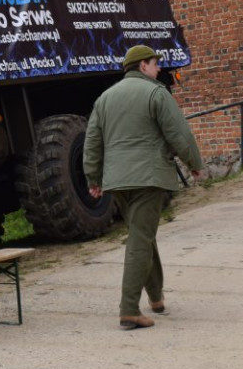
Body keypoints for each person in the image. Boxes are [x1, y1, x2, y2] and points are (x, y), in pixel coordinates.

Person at [83, 45, 205, 330]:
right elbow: (179, 133)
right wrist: (194, 162)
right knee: (140, 239)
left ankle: (156, 297)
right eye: (154, 63)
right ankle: (128, 309)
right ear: (142, 66)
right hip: (148, 177)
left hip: (117, 181)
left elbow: (92, 142)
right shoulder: (156, 93)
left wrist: (93, 178)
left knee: (143, 234)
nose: (159, 68)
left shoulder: (104, 98)